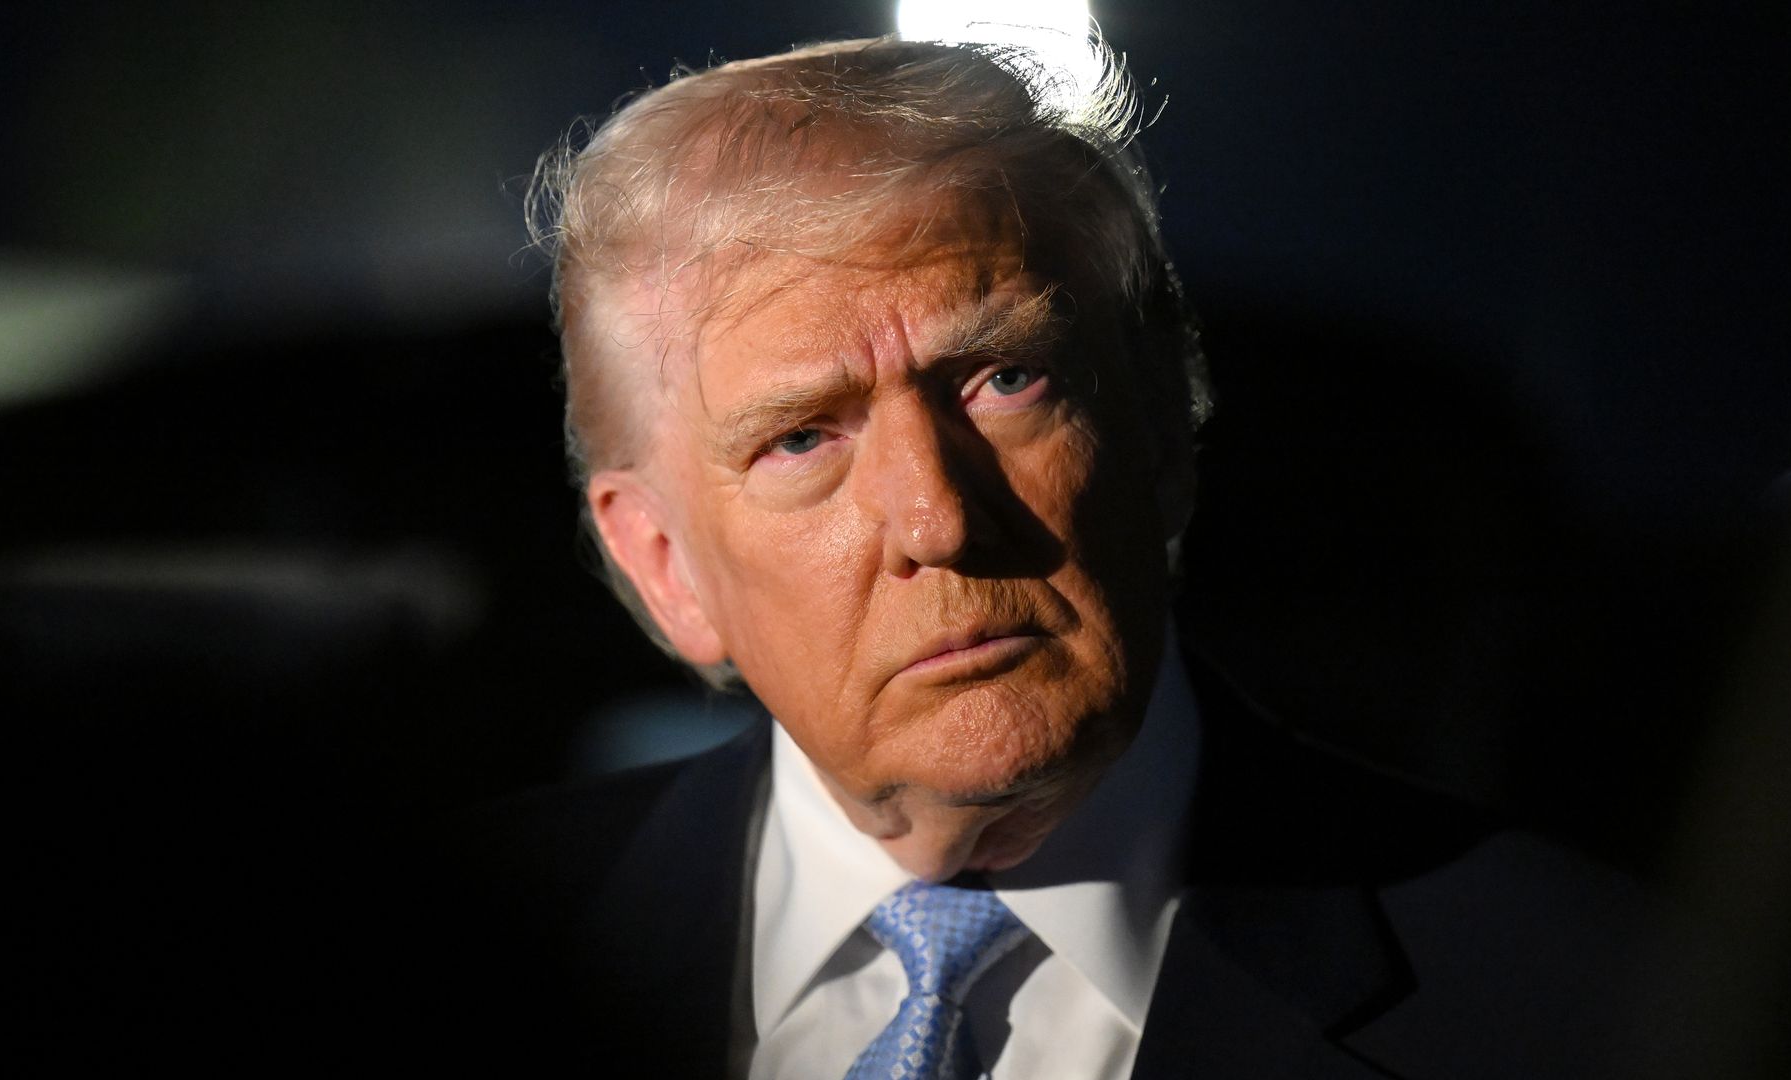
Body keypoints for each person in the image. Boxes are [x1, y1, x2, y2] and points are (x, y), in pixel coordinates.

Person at [438, 36, 1654, 1079]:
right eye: (803, 438)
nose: (940, 520)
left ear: (1165, 421)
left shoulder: (1614, 1009)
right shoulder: (414, 972)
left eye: (1005, 380)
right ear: (664, 568)